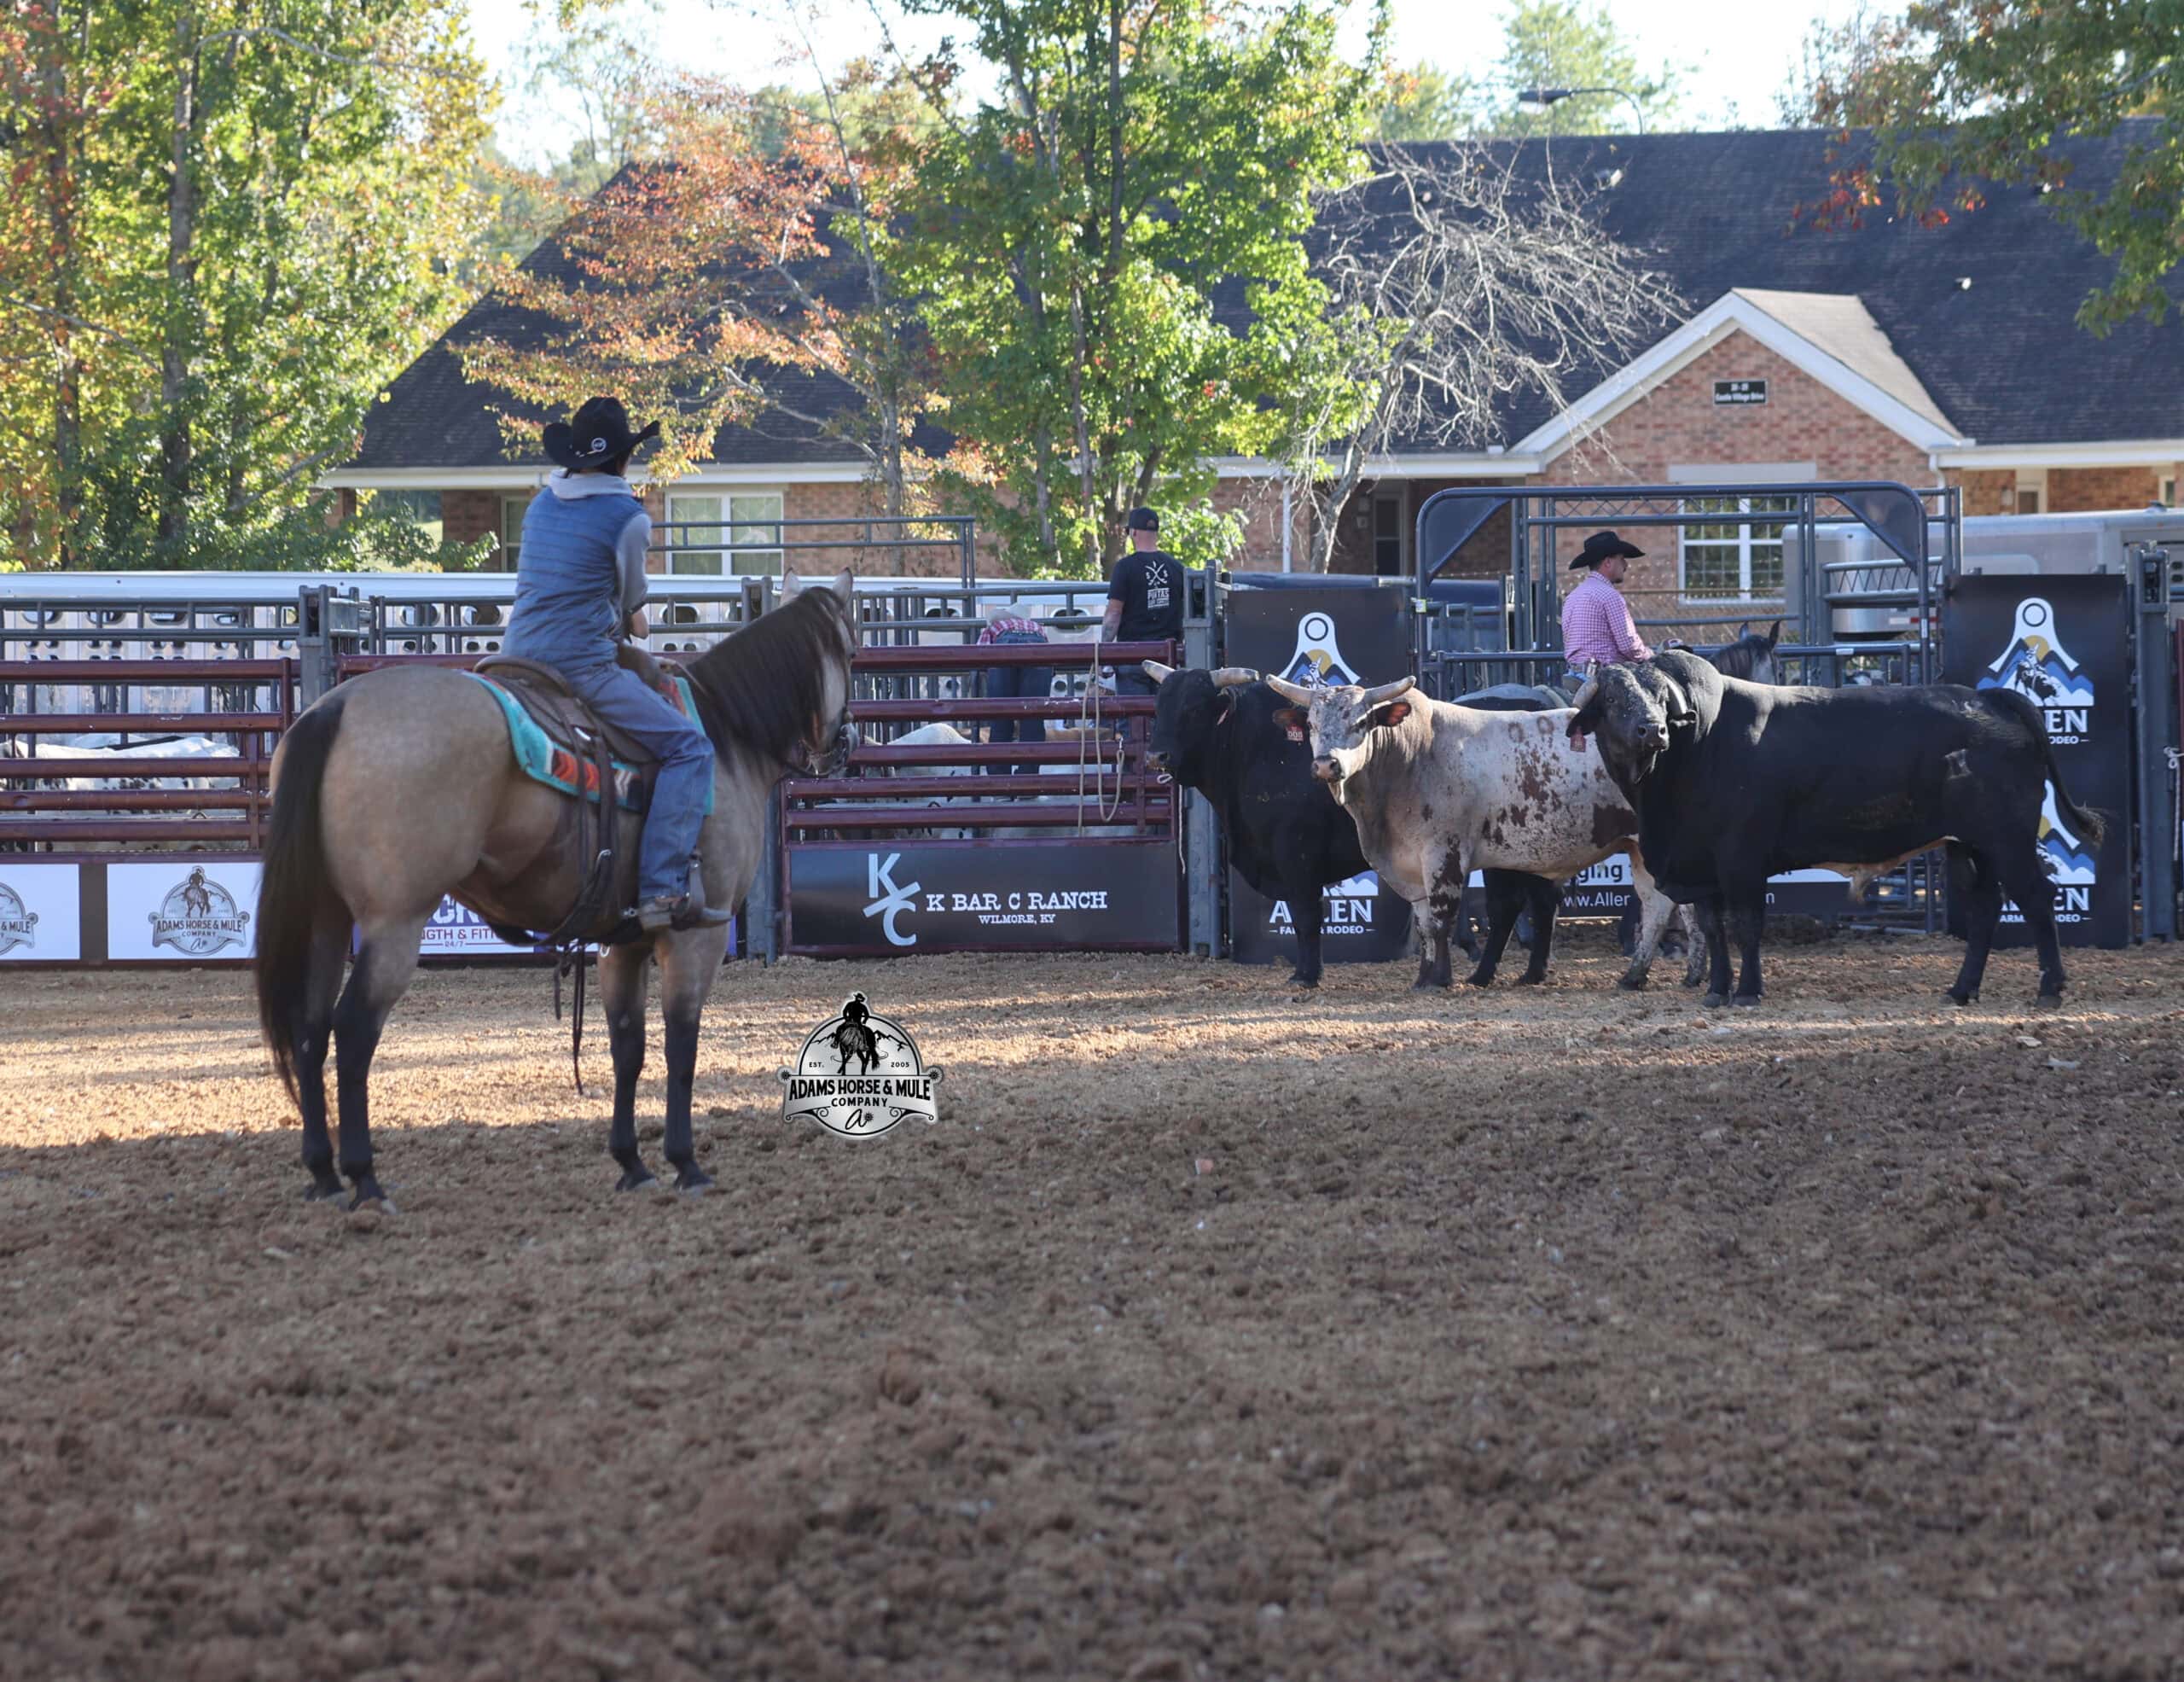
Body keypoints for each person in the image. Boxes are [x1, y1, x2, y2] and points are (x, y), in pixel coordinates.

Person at [502, 396, 728, 933]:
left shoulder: (539, 505)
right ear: (624, 459)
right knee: (689, 749)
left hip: (512, 657)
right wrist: (629, 615)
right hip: (578, 665)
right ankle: (661, 887)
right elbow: (632, 600)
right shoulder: (628, 518)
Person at [1103, 507, 1184, 737]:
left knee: (1134, 725)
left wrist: (1105, 655)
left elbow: (1114, 614)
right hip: (1167, 657)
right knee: (1165, 724)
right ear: (1156, 533)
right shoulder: (1176, 568)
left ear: (1133, 533)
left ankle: (1135, 761)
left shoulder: (1125, 568)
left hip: (1133, 656)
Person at [1558, 528, 1652, 690]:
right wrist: (1650, 655)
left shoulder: (1572, 596)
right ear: (1608, 562)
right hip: (1605, 679)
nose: (1626, 565)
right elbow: (1629, 646)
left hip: (1574, 675)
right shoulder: (1610, 596)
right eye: (1621, 559)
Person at [978, 605, 1053, 778]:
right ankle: (1028, 776)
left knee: (1001, 715)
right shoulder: (1038, 628)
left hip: (1004, 646)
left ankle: (999, 777)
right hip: (1038, 649)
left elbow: (980, 655)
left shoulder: (995, 627)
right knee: (1034, 717)